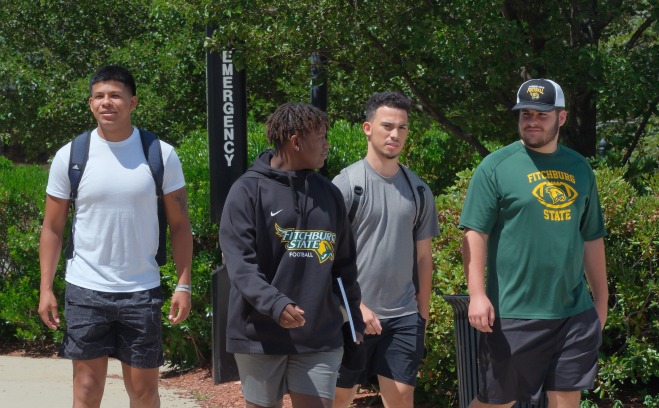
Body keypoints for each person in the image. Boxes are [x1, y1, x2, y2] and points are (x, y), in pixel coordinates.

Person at [38, 65, 193, 408]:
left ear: (133, 102)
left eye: (115, 96)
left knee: (143, 394)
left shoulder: (161, 154)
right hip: (85, 289)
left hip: (141, 291)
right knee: (87, 391)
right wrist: (45, 288)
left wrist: (183, 285)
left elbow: (181, 225)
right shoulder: (71, 156)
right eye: (99, 96)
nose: (107, 103)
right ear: (91, 103)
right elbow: (52, 227)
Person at [459, 78, 608, 407]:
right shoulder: (495, 167)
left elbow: (591, 236)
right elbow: (474, 234)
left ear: (562, 118)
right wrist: (478, 296)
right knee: (497, 401)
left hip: (574, 312)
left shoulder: (580, 168)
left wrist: (601, 301)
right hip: (515, 312)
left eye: (542, 114)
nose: (532, 121)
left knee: (567, 399)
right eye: (526, 114)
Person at [219, 102, 365, 408]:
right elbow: (240, 265)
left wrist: (353, 320)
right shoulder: (247, 191)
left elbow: (344, 266)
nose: (327, 145)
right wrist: (275, 304)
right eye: (321, 137)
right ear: (296, 141)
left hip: (319, 335)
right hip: (259, 335)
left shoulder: (329, 195)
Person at [332, 92, 440, 408]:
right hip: (351, 315)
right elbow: (330, 260)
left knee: (403, 397)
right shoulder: (347, 184)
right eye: (387, 126)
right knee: (340, 396)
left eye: (402, 128)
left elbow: (423, 257)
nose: (394, 134)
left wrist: (421, 313)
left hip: (404, 315)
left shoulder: (418, 190)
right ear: (368, 128)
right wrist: (356, 307)